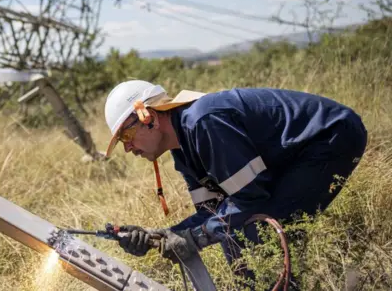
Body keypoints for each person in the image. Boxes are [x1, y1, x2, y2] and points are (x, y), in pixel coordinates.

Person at [103, 80, 368, 282]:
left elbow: (249, 201)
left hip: (329, 137)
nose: (128, 149)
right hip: (291, 156)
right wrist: (159, 236)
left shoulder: (204, 123)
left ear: (148, 118)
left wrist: (192, 239)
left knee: (269, 227)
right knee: (239, 231)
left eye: (126, 137)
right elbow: (214, 214)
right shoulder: (183, 151)